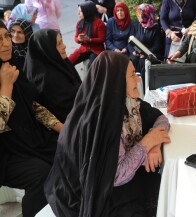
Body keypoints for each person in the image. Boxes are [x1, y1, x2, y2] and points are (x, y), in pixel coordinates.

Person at [44, 51, 171, 217]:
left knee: (160, 186)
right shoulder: (100, 121)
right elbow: (116, 175)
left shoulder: (127, 102)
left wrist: (155, 144)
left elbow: (161, 118)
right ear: (116, 81)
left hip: (113, 181)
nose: (138, 79)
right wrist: (147, 143)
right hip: (89, 196)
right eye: (132, 75)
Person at [0, 22, 63, 217]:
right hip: (4, 152)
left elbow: (32, 106)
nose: (5, 43)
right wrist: (6, 86)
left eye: (6, 36)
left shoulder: (14, 65)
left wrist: (63, 128)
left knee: (65, 151)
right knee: (41, 173)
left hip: (26, 140)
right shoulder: (8, 75)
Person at [24, 29, 82, 123]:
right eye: (58, 44)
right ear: (47, 49)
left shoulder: (61, 63)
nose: (64, 46)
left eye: (61, 42)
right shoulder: (45, 80)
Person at [129, 3, 164, 84]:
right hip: (137, 52)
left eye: (140, 14)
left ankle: (144, 87)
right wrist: (135, 51)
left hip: (150, 54)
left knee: (143, 61)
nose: (138, 16)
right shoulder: (136, 25)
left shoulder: (156, 27)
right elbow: (131, 41)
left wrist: (145, 53)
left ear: (147, 14)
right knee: (132, 59)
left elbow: (157, 46)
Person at [68, 1, 106, 69]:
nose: (78, 13)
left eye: (80, 11)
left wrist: (90, 39)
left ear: (87, 12)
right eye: (78, 11)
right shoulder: (80, 23)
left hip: (96, 49)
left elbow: (102, 39)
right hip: (84, 48)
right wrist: (78, 39)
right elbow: (76, 37)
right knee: (68, 62)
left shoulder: (99, 23)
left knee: (91, 67)